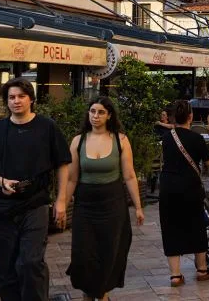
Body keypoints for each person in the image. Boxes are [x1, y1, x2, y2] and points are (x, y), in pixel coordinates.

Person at [0, 77, 71, 301]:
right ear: (6, 102)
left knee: (30, 262)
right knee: (5, 269)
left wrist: (61, 201)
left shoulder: (47, 127)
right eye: (11, 97)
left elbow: (62, 164)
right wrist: (2, 182)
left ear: (31, 99)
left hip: (35, 204)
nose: (16, 101)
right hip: (2, 208)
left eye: (21, 96)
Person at [65, 97, 144, 301]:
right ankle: (92, 293)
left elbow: (129, 175)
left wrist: (138, 206)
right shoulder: (78, 141)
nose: (95, 116)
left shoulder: (121, 140)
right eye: (92, 111)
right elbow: (72, 178)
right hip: (85, 206)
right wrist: (62, 206)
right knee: (84, 254)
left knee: (109, 252)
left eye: (100, 112)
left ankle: (101, 294)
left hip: (113, 205)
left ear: (109, 115)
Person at [160, 100, 209, 287]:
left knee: (170, 226)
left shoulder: (167, 137)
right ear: (190, 117)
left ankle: (175, 275)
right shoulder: (196, 139)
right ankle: (202, 269)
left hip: (168, 186)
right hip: (190, 186)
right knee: (196, 225)